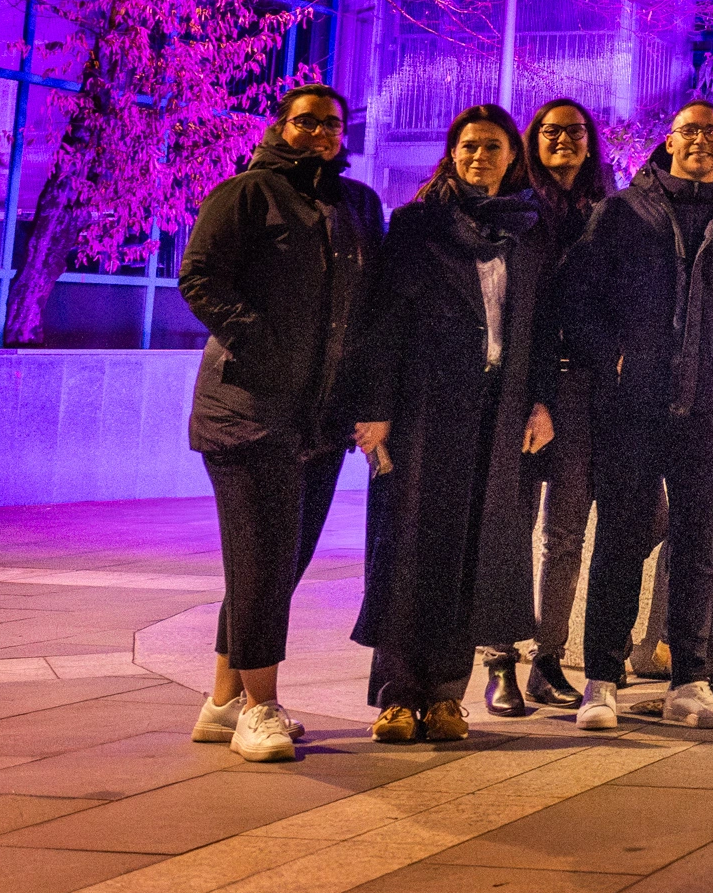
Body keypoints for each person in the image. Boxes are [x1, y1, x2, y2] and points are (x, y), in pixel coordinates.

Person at [554, 99, 713, 732]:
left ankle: (691, 680)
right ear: (670, 141)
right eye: (692, 132)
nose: (705, 142)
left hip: (704, 408)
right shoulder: (623, 213)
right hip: (632, 408)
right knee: (621, 540)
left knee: (697, 547)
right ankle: (600, 680)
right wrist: (614, 357)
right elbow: (580, 297)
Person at [177, 87, 384, 762]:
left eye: (331, 122)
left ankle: (220, 704)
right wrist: (260, 339)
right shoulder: (246, 194)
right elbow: (199, 278)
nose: (321, 131)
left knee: (275, 567)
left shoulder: (359, 206)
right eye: (306, 121)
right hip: (248, 413)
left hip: (319, 420)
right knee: (262, 562)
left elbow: (365, 309)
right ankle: (260, 709)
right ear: (281, 127)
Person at [348, 106, 553, 743]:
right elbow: (379, 323)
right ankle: (397, 696)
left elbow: (541, 328)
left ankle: (445, 698)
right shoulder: (417, 225)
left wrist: (540, 402)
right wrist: (374, 409)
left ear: (511, 156)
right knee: (411, 550)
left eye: (492, 147)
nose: (478, 157)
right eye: (468, 146)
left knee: (472, 554)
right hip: (423, 410)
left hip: (497, 412)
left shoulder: (527, 230)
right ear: (452, 152)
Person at [500, 98, 609, 714]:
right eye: (550, 131)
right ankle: (500, 661)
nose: (563, 139)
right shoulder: (517, 210)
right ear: (533, 140)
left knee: (566, 531)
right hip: (522, 384)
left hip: (584, 388)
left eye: (574, 131)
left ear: (589, 142)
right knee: (512, 526)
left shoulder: (607, 213)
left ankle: (547, 657)